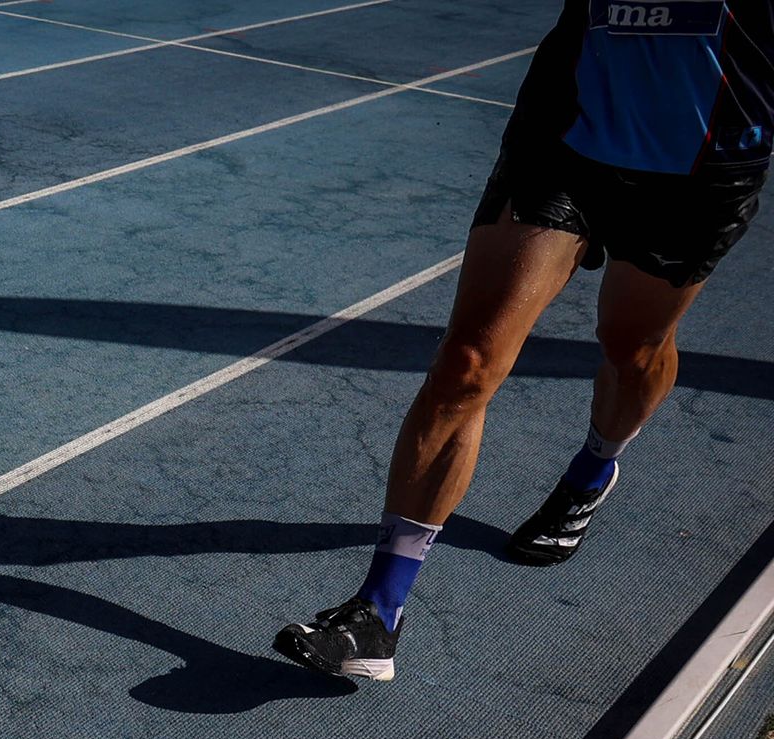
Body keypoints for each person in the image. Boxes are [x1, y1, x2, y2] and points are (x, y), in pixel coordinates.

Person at [273, 0, 773, 681]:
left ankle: (594, 468)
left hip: (700, 164)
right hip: (564, 138)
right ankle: (379, 614)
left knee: (632, 349)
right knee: (467, 360)